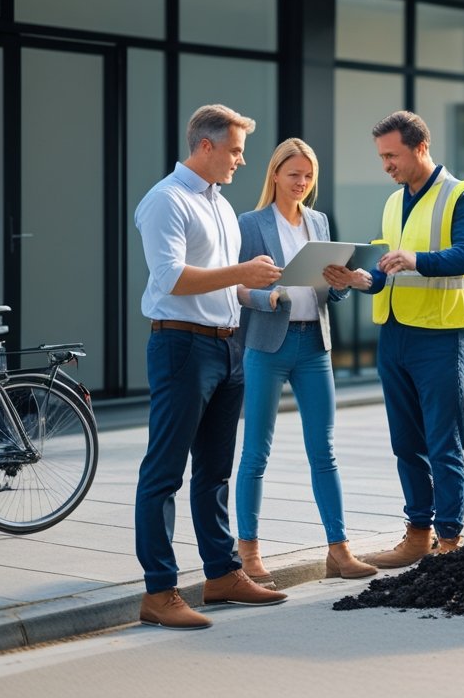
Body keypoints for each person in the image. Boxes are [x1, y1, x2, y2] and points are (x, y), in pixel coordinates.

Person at [134, 104, 287, 631]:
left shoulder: (220, 205)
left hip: (229, 346)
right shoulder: (165, 201)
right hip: (181, 348)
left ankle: (221, 574)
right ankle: (159, 592)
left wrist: (262, 291)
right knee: (164, 472)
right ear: (206, 146)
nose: (242, 161)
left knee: (216, 471)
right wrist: (241, 271)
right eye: (237, 150)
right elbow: (173, 279)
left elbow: (226, 282)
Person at [327, 110, 464, 568]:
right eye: (381, 157)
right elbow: (386, 270)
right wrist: (362, 281)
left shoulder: (460, 195)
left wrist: (415, 258)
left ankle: (450, 540)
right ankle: (417, 535)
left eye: (391, 155)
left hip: (439, 335)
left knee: (443, 441)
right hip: (395, 335)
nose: (386, 166)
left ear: (420, 147)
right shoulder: (394, 203)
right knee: (405, 442)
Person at [233, 138, 376, 585]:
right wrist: (267, 294)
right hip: (267, 345)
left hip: (314, 345)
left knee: (325, 452)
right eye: (294, 174)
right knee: (256, 452)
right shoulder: (251, 224)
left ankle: (339, 550)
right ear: (275, 174)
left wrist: (343, 282)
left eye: (308, 176)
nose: (301, 183)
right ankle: (249, 555)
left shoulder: (318, 221)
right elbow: (235, 286)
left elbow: (327, 292)